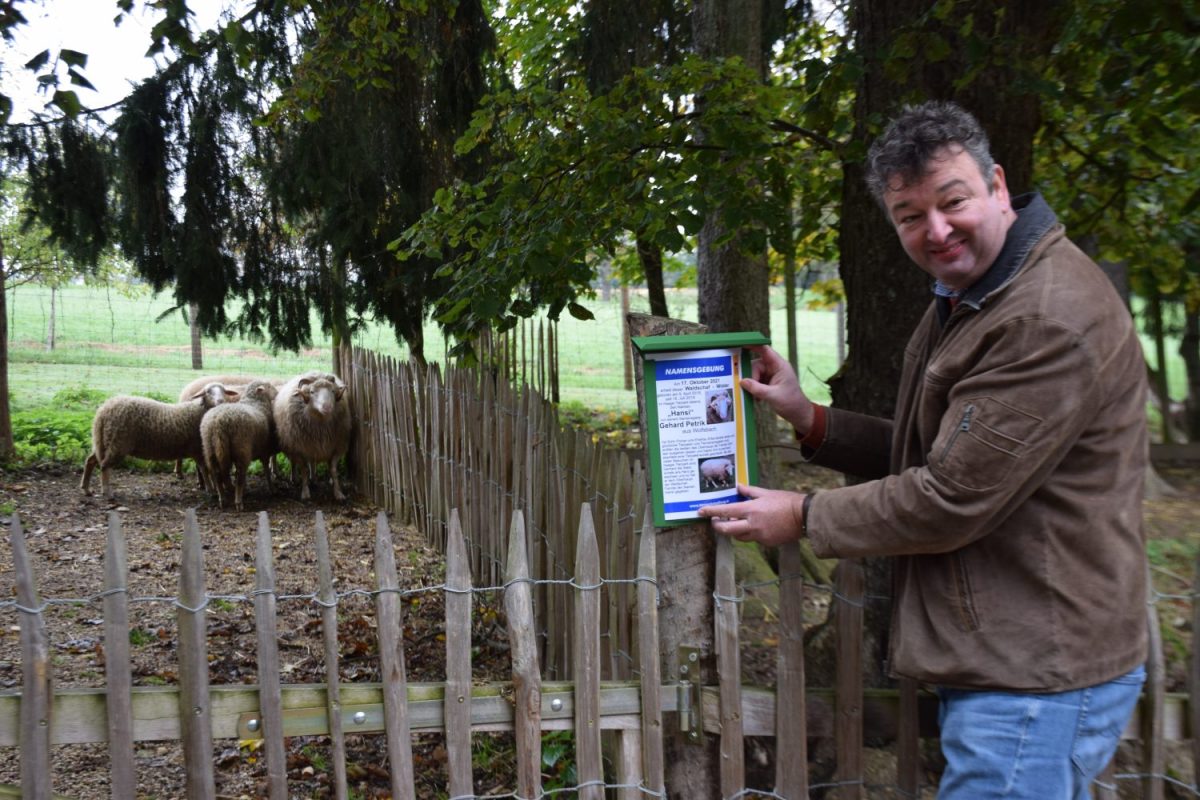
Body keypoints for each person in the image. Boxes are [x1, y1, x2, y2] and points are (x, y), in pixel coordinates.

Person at [699, 100, 1149, 799]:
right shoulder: (980, 293)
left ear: (997, 186)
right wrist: (812, 418)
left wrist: (805, 516)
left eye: (953, 201)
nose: (936, 230)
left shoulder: (1045, 318)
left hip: (1036, 676)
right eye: (910, 215)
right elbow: (945, 454)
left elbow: (949, 497)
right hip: (1014, 662)